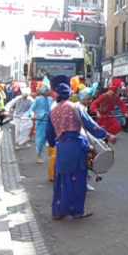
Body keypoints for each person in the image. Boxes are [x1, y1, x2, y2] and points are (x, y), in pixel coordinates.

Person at [46, 76, 110, 220]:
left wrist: (52, 144)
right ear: (69, 94)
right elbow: (90, 125)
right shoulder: (76, 107)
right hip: (76, 146)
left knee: (62, 179)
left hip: (61, 147)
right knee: (78, 180)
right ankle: (76, 211)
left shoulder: (53, 111)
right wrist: (106, 135)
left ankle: (59, 211)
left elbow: (49, 134)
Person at [29, 85, 52, 164]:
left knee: (51, 140)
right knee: (40, 140)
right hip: (41, 122)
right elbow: (31, 109)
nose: (47, 92)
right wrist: (32, 115)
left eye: (47, 90)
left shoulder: (50, 99)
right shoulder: (38, 99)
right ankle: (38, 156)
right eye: (46, 90)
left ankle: (52, 156)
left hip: (50, 122)